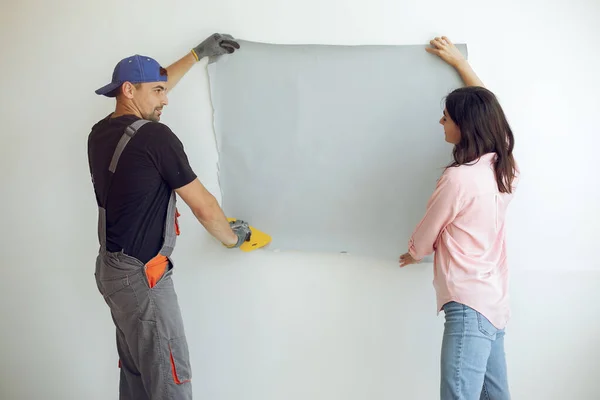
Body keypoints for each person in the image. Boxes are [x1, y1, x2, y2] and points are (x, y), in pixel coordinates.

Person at [87, 33, 253, 400]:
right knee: (169, 377)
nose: (166, 99)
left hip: (113, 272)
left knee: (137, 374)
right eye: (159, 91)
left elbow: (147, 98)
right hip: (142, 279)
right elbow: (203, 206)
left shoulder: (100, 133)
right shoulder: (156, 138)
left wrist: (196, 55)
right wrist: (233, 238)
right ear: (129, 90)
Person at [398, 36, 518, 400]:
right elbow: (489, 109)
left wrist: (413, 253)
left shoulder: (460, 177)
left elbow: (426, 234)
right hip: (492, 303)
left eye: (446, 117)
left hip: (468, 306)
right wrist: (460, 65)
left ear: (464, 125)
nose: (441, 121)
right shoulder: (503, 165)